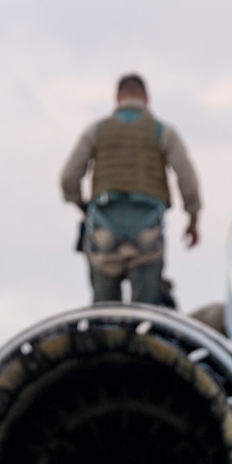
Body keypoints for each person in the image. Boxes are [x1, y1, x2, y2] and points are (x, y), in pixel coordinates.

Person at [59, 73, 201, 307]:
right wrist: (193, 217)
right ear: (146, 98)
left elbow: (68, 179)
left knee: (104, 316)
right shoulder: (163, 132)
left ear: (117, 98)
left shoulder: (95, 132)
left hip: (103, 235)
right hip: (148, 236)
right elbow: (187, 178)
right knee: (147, 317)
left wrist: (82, 206)